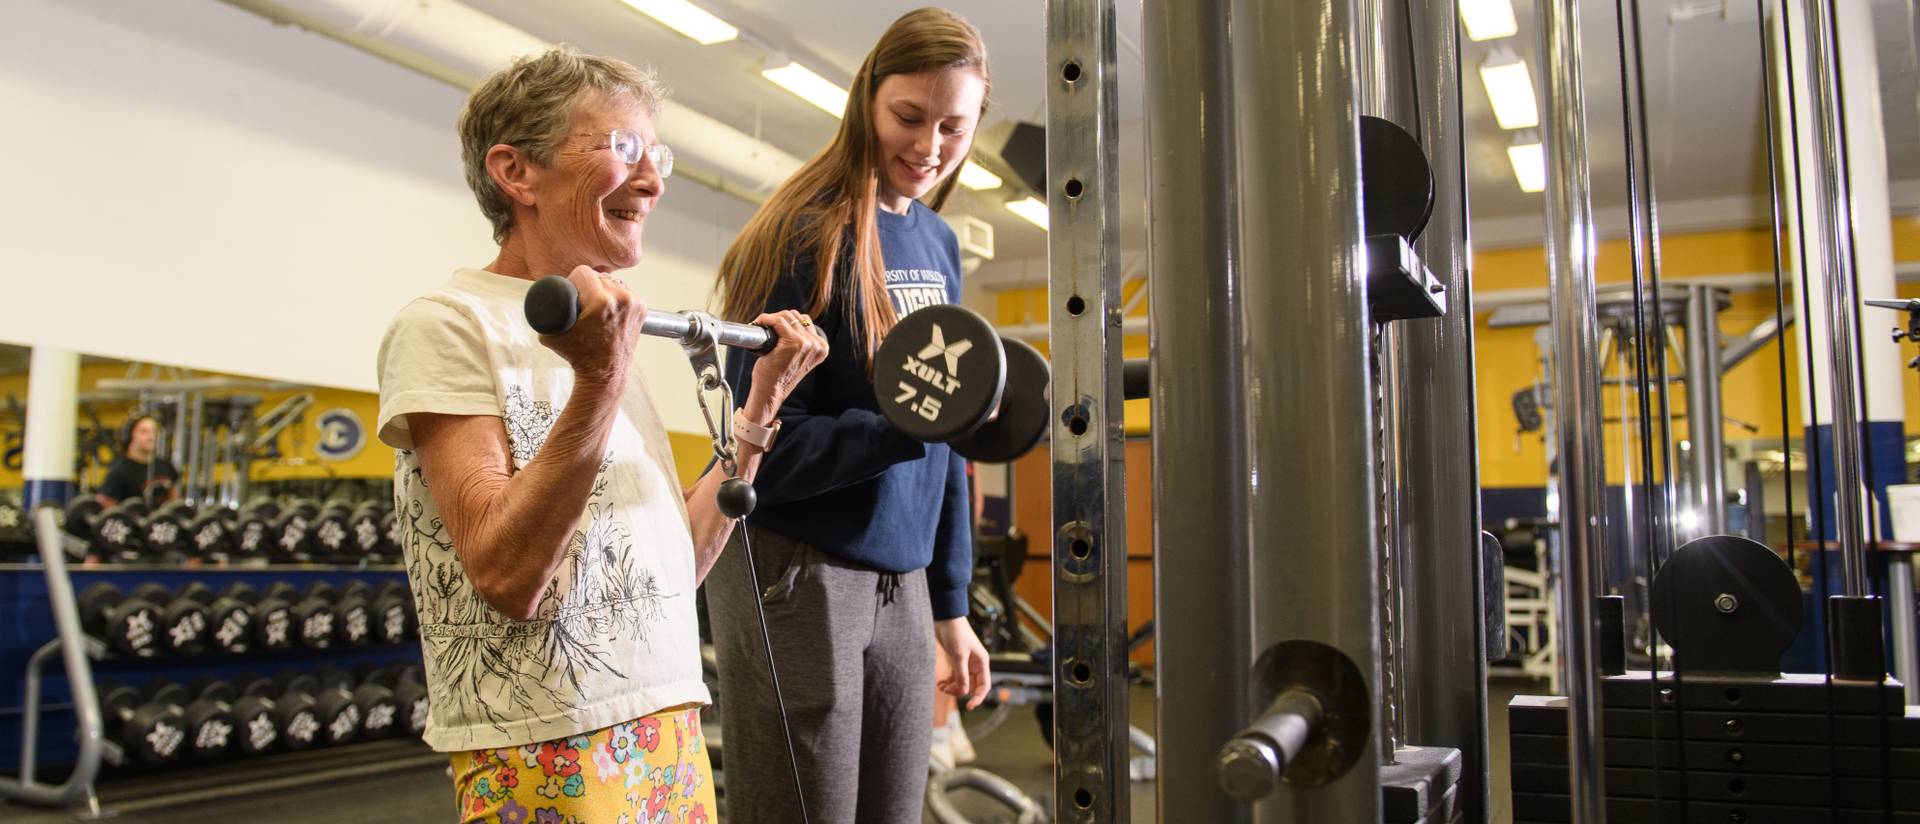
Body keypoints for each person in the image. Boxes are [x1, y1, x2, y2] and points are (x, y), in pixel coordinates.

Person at [373, 47, 827, 823]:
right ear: (516, 173)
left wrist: (759, 409)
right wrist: (597, 380)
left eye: (658, 155)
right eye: (623, 149)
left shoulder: (605, 337)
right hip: (545, 740)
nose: (652, 180)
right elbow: (506, 574)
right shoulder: (447, 325)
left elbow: (672, 567)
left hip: (668, 721)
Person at [710, 8, 993, 822]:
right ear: (867, 98)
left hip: (900, 580)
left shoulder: (938, 243)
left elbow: (950, 444)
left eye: (953, 125)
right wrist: (903, 428)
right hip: (798, 566)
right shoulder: (805, 232)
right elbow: (758, 451)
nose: (929, 146)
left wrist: (950, 602)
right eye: (909, 117)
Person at [96, 414, 178, 507]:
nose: (151, 437)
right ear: (130, 435)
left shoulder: (165, 466)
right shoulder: (119, 470)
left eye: (154, 431)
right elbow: (105, 505)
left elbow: (174, 499)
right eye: (144, 431)